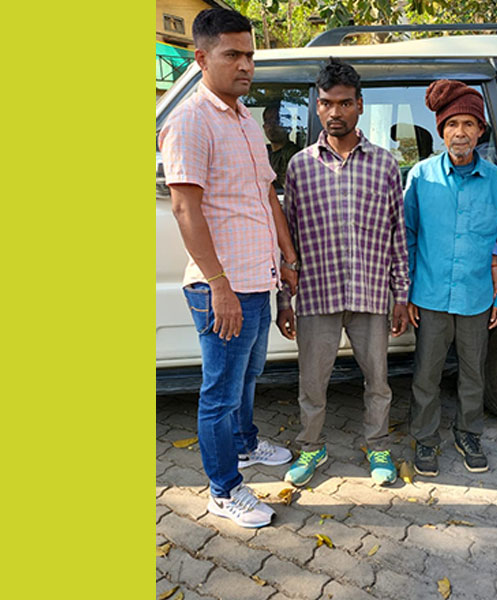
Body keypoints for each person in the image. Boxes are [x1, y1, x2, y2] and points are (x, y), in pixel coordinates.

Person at [158, 8, 300, 529]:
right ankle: (224, 490)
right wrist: (219, 286)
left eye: (250, 56)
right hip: (223, 287)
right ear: (201, 58)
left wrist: (287, 259)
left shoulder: (243, 120)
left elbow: (266, 197)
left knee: (249, 376)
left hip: (257, 279)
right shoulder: (190, 122)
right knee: (219, 394)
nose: (245, 66)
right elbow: (185, 209)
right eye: (232, 54)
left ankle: (244, 443)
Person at [276, 58, 410, 487]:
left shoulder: (384, 165)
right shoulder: (300, 167)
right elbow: (289, 241)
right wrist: (284, 299)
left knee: (378, 381)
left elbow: (397, 234)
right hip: (318, 295)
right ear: (317, 106)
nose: (335, 112)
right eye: (326, 103)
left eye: (345, 103)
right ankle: (311, 446)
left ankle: (377, 445)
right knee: (312, 383)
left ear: (360, 105)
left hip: (371, 294)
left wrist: (401, 295)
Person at [404, 80, 497, 476]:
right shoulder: (421, 177)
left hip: (477, 296)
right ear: (441, 131)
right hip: (430, 295)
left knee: (472, 373)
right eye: (452, 124)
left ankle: (468, 434)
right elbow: (408, 236)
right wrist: (408, 292)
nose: (460, 133)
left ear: (480, 130)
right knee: (426, 374)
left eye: (469, 124)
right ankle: (425, 438)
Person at [263, 102, 301, 188]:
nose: (272, 126)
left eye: (277, 121)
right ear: (264, 126)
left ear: (289, 126)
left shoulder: (294, 155)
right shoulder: (262, 153)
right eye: (268, 121)